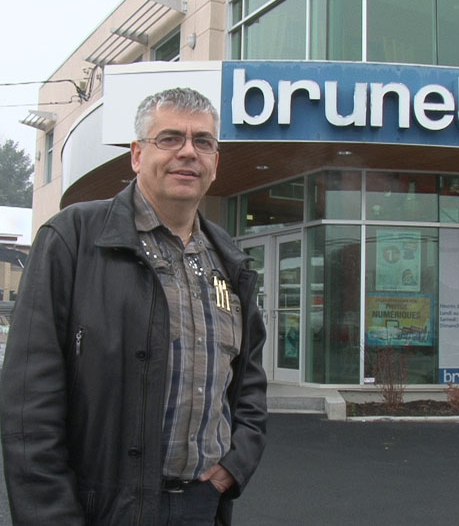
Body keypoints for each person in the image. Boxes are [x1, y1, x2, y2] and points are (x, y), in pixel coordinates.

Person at [0, 88, 267, 525]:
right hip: (101, 510)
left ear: (216, 163)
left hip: (203, 504)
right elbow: (30, 405)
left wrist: (235, 466)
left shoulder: (228, 261)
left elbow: (250, 382)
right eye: (170, 138)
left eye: (203, 141)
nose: (188, 152)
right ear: (137, 155)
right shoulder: (74, 239)